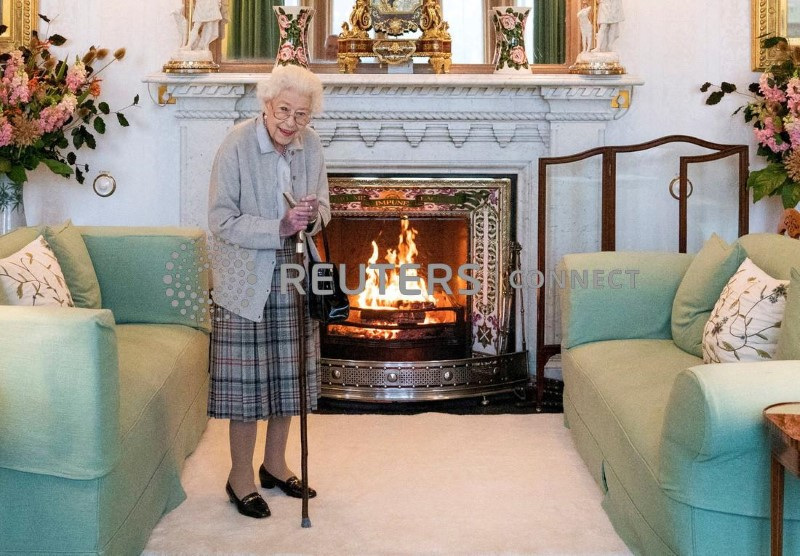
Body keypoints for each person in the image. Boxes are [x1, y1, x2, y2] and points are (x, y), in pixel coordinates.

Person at [207, 64, 329, 519]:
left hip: (295, 271)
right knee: (248, 385)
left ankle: (274, 465)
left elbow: (325, 207)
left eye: (301, 115)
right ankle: (239, 477)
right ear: (266, 104)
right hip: (246, 276)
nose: (291, 123)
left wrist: (311, 215)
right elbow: (220, 219)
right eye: (284, 111)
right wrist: (278, 225)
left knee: (287, 377)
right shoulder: (237, 143)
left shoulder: (310, 145)